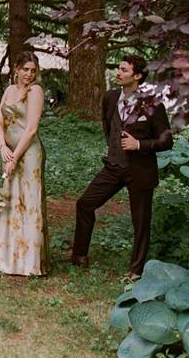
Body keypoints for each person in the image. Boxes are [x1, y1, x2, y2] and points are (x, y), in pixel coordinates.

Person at [71, 54, 173, 281]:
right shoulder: (110, 97)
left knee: (141, 223)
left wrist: (139, 144)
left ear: (137, 76)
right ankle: (78, 255)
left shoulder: (152, 104)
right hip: (114, 166)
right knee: (85, 204)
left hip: (140, 172)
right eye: (118, 68)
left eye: (124, 70)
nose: (118, 72)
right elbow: (108, 126)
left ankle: (135, 270)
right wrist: (115, 148)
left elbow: (167, 141)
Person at [0, 51, 48, 276]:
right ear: (16, 69)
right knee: (11, 201)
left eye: (33, 70)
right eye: (25, 69)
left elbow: (32, 128)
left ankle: (30, 263)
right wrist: (4, 149)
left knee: (29, 202)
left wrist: (15, 157)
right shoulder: (9, 90)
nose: (29, 74)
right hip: (9, 154)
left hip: (29, 155)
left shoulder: (35, 91)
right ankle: (9, 259)